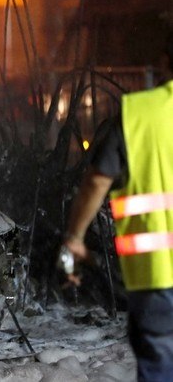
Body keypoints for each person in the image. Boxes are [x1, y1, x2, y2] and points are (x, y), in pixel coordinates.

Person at [62, 36, 173, 381]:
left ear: (164, 62)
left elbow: (97, 181)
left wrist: (75, 236)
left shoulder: (140, 114)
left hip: (158, 277)